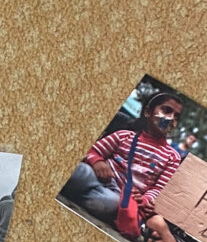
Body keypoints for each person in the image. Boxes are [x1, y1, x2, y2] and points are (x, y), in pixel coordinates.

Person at [60, 90, 184, 226]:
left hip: (119, 197)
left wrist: (144, 200)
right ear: (148, 112)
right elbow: (92, 150)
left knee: (110, 203)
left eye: (176, 116)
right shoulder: (124, 135)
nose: (171, 118)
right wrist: (97, 162)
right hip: (96, 177)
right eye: (166, 110)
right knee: (80, 171)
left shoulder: (172, 157)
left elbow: (158, 189)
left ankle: (74, 194)